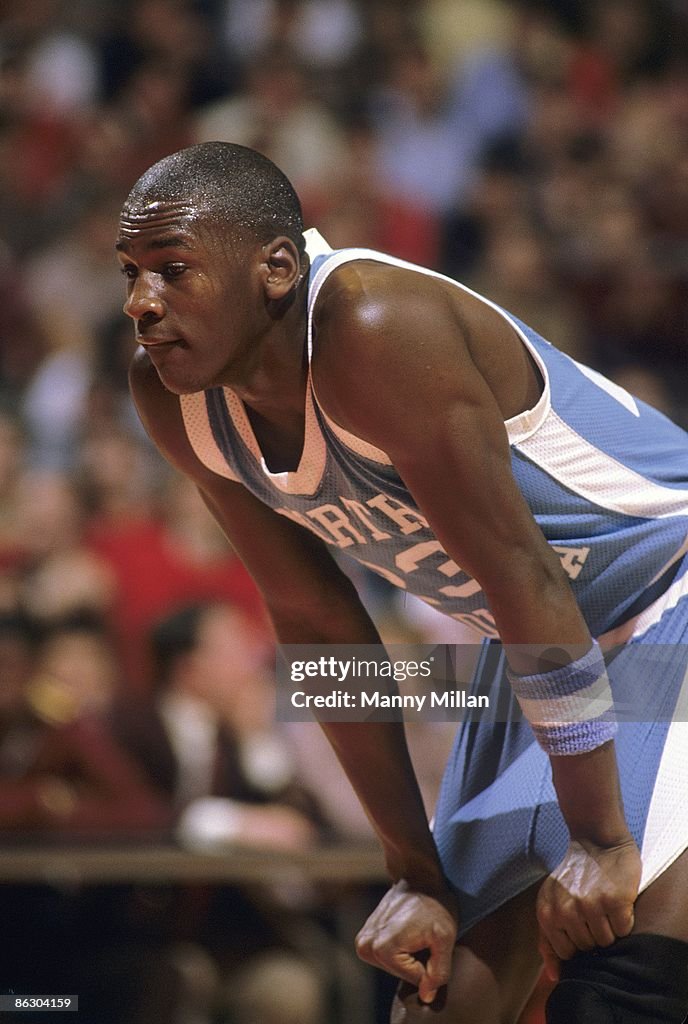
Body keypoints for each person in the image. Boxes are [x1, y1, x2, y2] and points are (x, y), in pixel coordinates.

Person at [118, 141, 688, 1023]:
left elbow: (520, 569)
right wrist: (412, 875)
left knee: (621, 986)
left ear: (275, 269)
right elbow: (315, 624)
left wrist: (603, 840)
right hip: (542, 636)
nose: (141, 304)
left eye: (173, 270)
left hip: (665, 590)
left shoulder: (373, 324)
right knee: (435, 996)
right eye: (132, 273)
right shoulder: (172, 398)